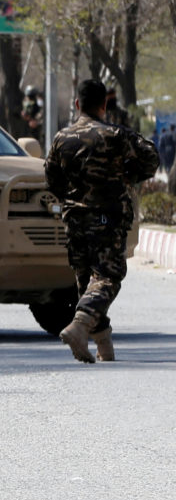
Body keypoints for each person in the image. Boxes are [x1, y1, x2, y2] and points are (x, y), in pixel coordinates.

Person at [44, 79, 159, 363]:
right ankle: (79, 325)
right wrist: (129, 175)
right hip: (108, 217)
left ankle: (103, 348)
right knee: (107, 277)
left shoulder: (61, 138)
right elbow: (151, 157)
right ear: (104, 104)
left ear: (77, 104)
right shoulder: (116, 135)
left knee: (87, 282)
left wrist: (73, 198)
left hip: (74, 219)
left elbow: (52, 180)